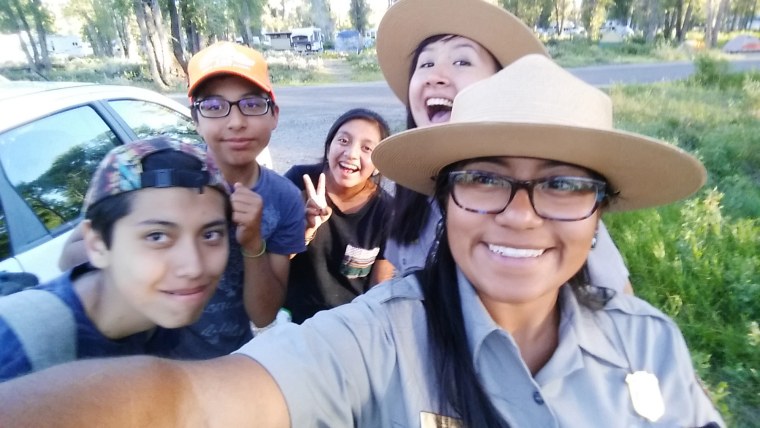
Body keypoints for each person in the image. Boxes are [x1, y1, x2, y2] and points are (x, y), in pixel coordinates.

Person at [0, 54, 724, 428]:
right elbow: (190, 400)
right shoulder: (376, 342)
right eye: (483, 178)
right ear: (444, 201)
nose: (521, 214)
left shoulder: (649, 342)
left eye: (564, 185)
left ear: (600, 211)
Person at [58, 42, 307, 358]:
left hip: (230, 358)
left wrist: (253, 243)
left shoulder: (284, 198)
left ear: (274, 115)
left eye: (252, 104)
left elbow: (264, 315)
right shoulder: (160, 173)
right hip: (146, 360)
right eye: (215, 106)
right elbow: (71, 256)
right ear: (195, 119)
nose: (236, 122)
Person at [377, 0, 634, 295]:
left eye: (462, 61)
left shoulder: (553, 201)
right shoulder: (410, 194)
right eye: (426, 63)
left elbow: (622, 299)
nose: (436, 75)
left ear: (503, 85)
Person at [0, 137, 230, 381]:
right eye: (156, 237)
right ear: (97, 245)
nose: (193, 267)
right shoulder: (17, 352)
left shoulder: (155, 312)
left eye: (210, 234)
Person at [283, 108, 395, 323]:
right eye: (343, 140)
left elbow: (378, 287)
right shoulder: (299, 182)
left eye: (366, 148)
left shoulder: (386, 211)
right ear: (329, 147)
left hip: (349, 323)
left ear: (378, 164)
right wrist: (305, 229)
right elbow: (272, 260)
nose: (351, 153)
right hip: (294, 321)